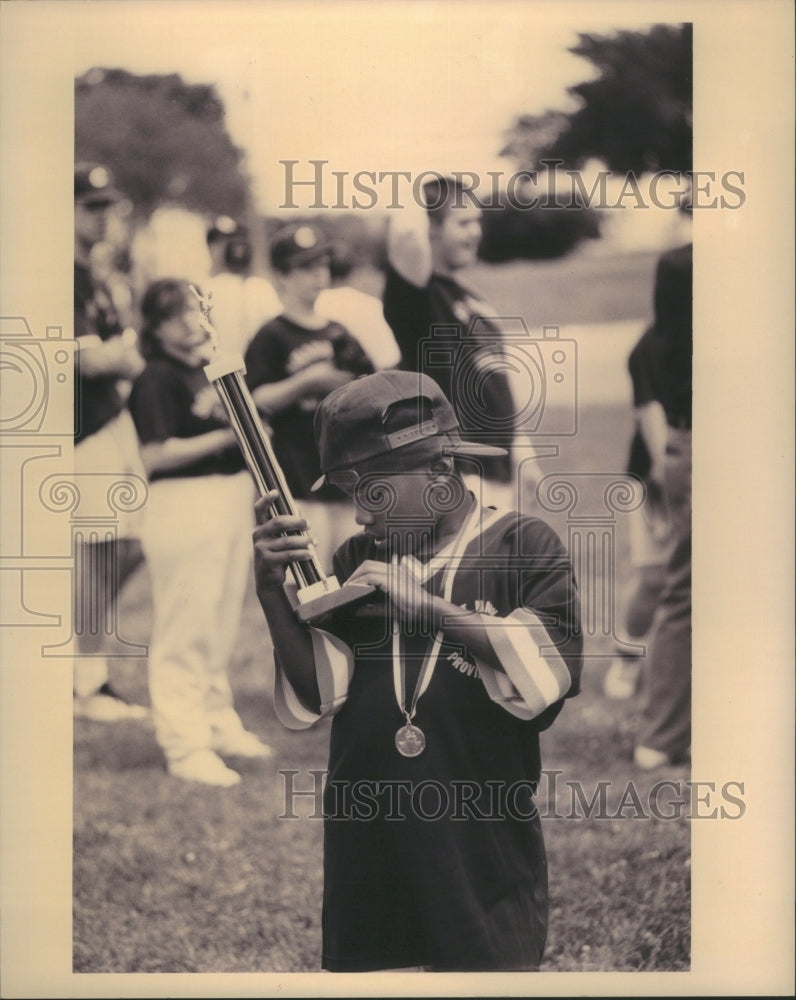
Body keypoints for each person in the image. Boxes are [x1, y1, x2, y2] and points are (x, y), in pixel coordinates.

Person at [252, 370, 583, 971]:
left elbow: (546, 680)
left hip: (480, 840)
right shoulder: (358, 558)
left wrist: (424, 607)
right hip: (370, 834)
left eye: (370, 491)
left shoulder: (523, 546)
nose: (358, 516)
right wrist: (271, 594)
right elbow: (321, 691)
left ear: (437, 474)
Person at [128, 278, 272, 787]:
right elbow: (155, 454)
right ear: (156, 327)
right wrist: (227, 434)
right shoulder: (157, 378)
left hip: (225, 498)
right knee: (186, 627)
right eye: (175, 316)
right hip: (183, 502)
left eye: (193, 310)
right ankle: (184, 744)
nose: (189, 322)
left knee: (218, 623)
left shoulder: (203, 371)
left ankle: (216, 721)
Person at [382, 175, 542, 511]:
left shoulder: (473, 298)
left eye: (477, 221)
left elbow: (498, 384)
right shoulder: (417, 296)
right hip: (454, 472)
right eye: (463, 222)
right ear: (432, 228)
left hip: (498, 469)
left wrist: (522, 451)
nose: (476, 232)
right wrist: (420, 190)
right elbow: (405, 234)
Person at [244, 223, 374, 571]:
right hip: (297, 476)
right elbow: (256, 400)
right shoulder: (271, 334)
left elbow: (370, 391)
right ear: (281, 275)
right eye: (305, 267)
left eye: (322, 265)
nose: (318, 274)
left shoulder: (339, 331)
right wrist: (309, 381)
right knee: (306, 578)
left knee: (351, 574)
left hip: (346, 477)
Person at [72, 162, 149, 722]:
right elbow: (82, 354)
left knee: (128, 543)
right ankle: (85, 679)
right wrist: (120, 356)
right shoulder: (58, 270)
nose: (102, 216)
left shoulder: (95, 272)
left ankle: (83, 666)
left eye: (106, 206)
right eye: (90, 206)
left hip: (110, 418)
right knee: (101, 547)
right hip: (80, 426)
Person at [633, 242, 693, 769]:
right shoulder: (681, 264)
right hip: (692, 443)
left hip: (690, 449)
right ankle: (663, 733)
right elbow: (653, 397)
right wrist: (660, 466)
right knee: (681, 585)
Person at [603, 324, 673, 699]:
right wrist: (663, 486)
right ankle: (628, 659)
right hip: (654, 477)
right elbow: (650, 416)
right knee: (655, 576)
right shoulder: (652, 346)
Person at [315, 239, 401, 370]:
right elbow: (389, 360)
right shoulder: (371, 304)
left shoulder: (312, 305)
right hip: (372, 380)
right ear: (352, 271)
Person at [203, 216, 281, 356]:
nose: (230, 249)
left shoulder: (258, 287)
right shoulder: (200, 288)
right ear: (210, 247)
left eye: (234, 242)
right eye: (221, 243)